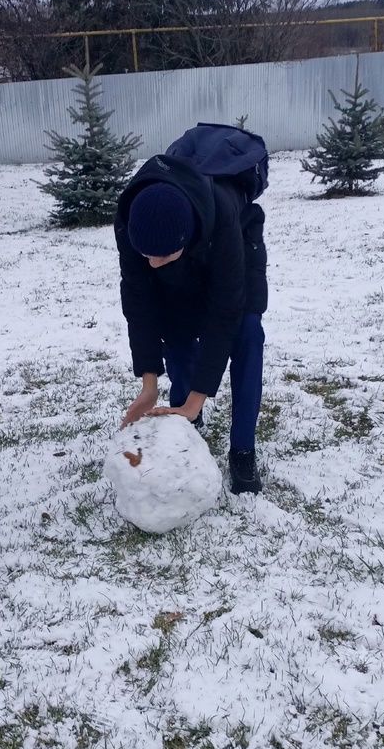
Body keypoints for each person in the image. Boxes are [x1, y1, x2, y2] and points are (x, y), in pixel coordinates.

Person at [115, 146, 269, 494]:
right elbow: (139, 302)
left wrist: (200, 395)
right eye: (146, 255)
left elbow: (224, 311)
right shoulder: (130, 218)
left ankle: (242, 448)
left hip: (237, 252)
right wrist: (149, 383)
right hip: (187, 255)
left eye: (162, 255)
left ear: (185, 240)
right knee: (178, 331)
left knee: (247, 335)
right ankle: (185, 422)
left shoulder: (224, 214)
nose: (152, 264)